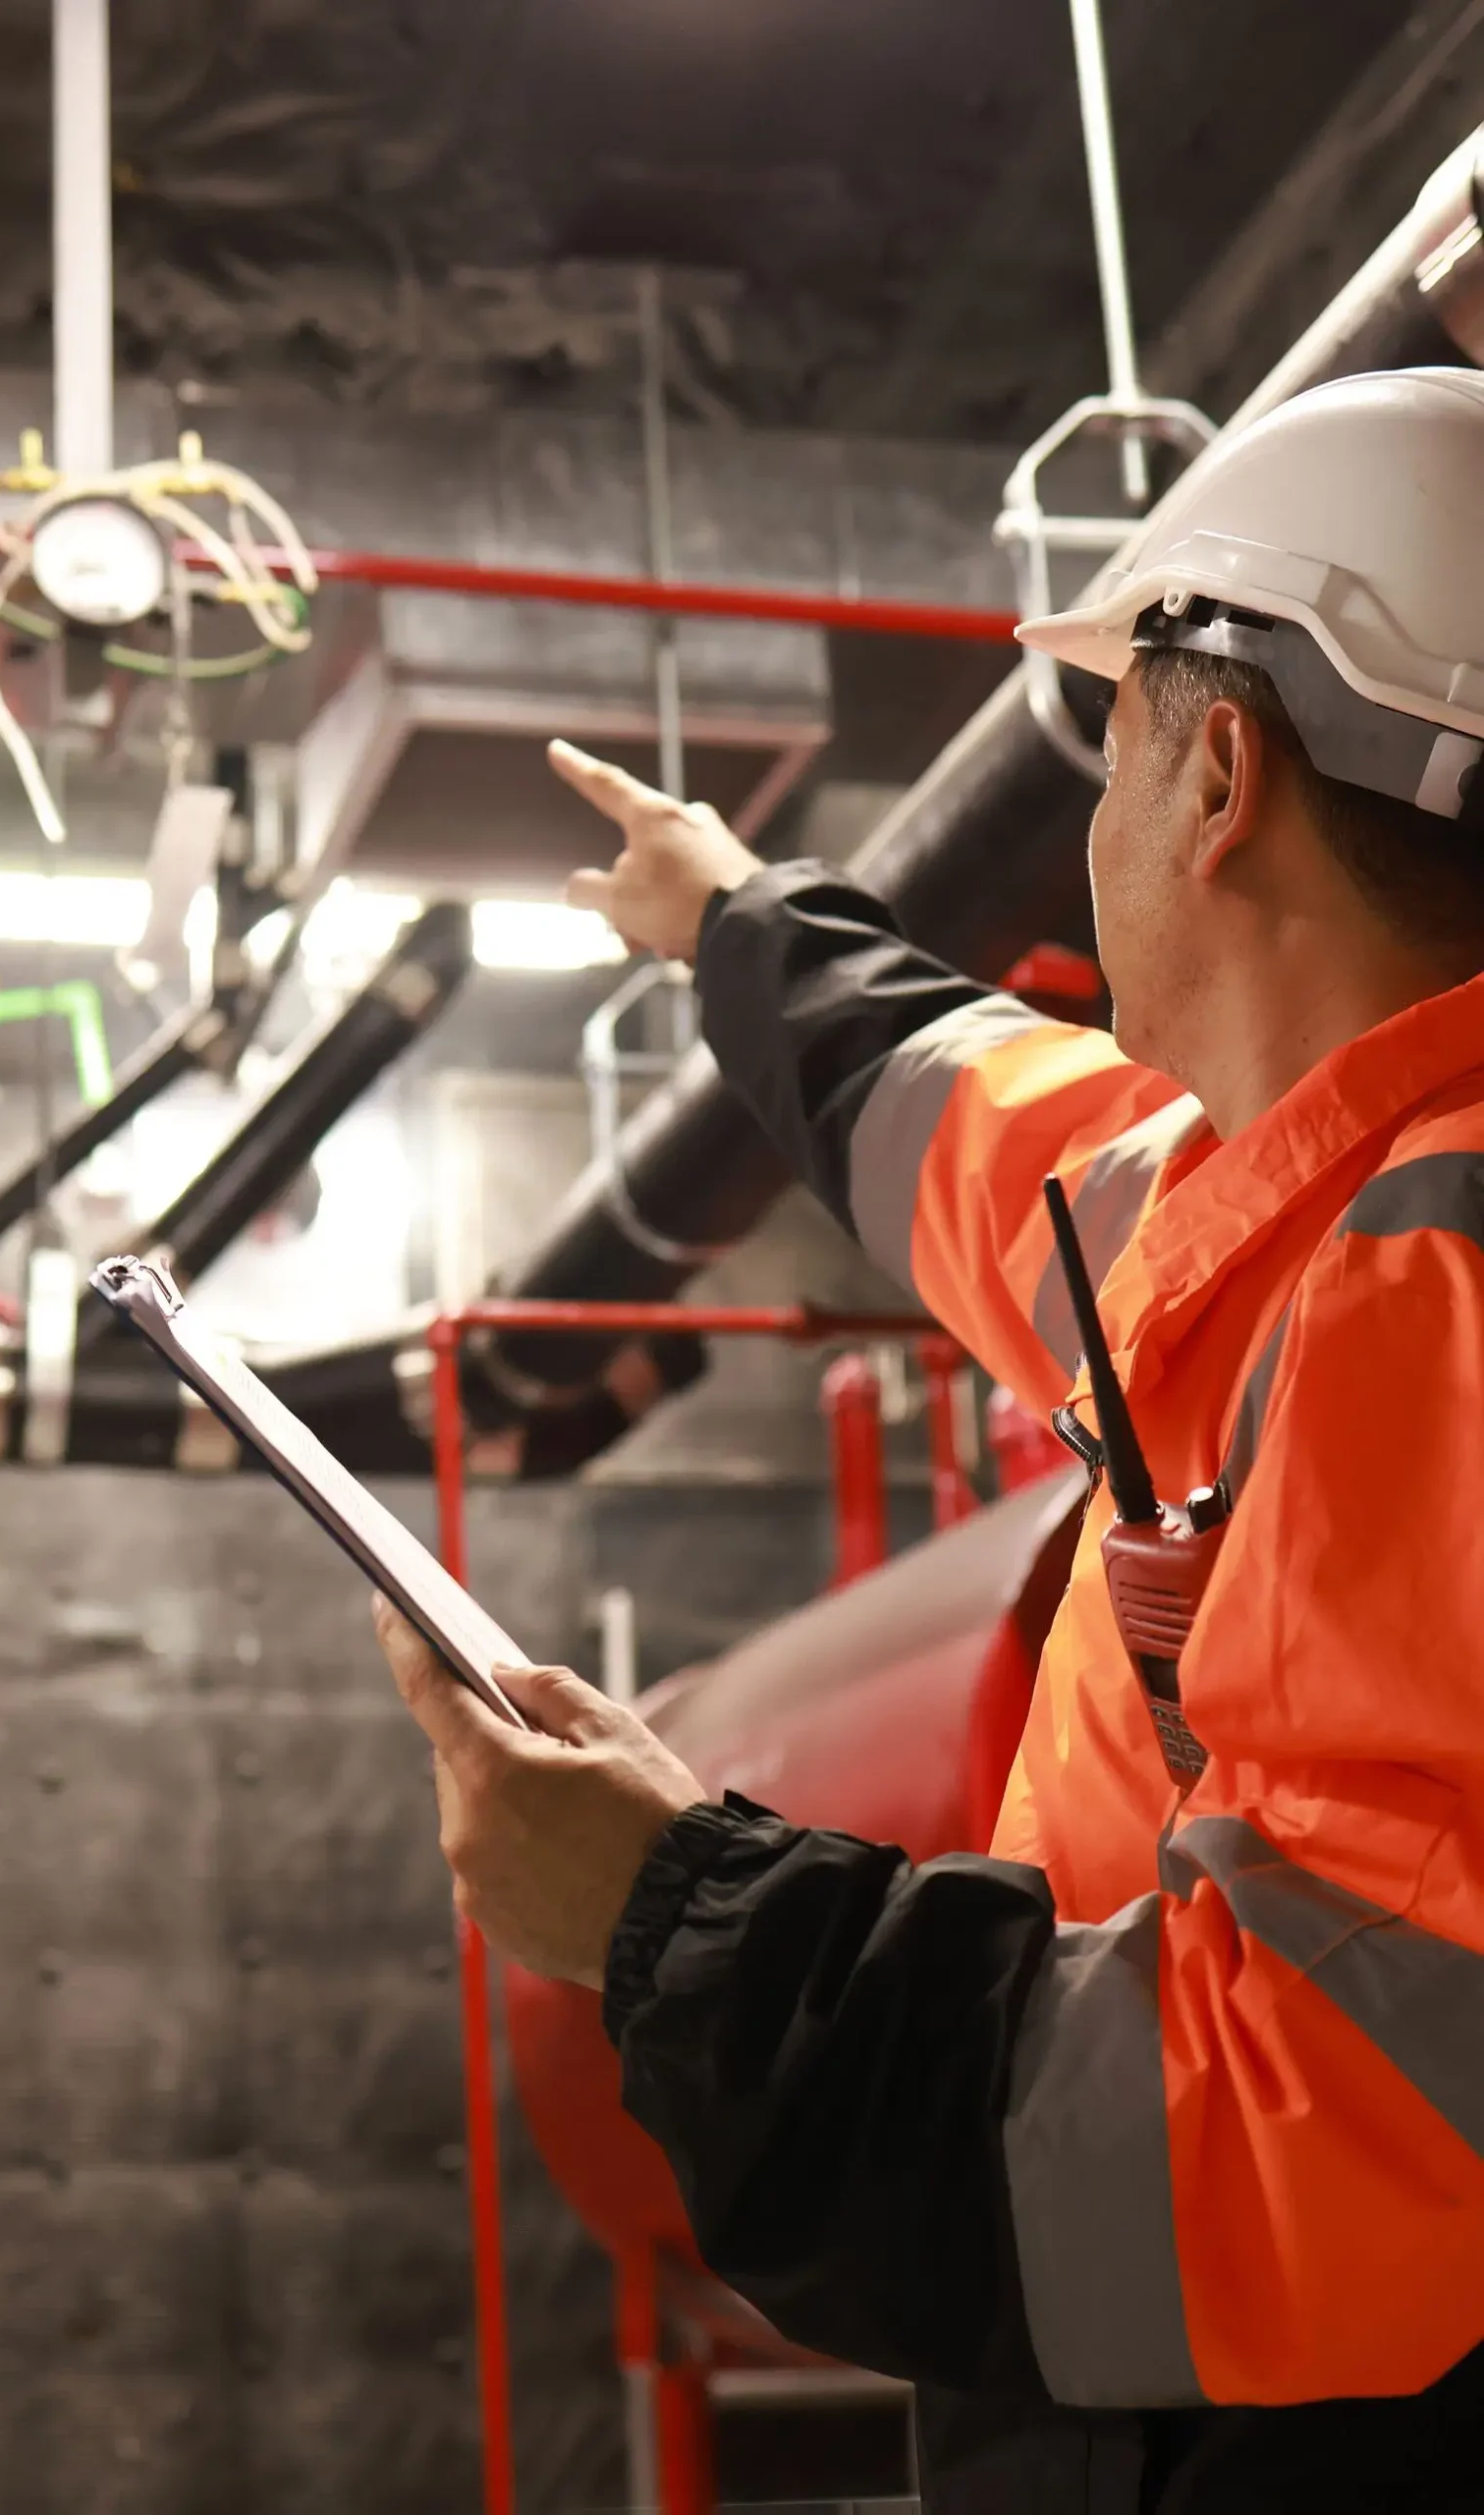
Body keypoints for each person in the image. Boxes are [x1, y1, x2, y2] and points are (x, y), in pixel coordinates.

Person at [372, 366, 1484, 2512]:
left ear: (1218, 767)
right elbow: (966, 1125)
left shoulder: (1433, 1280)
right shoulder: (1274, 1180)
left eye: (1114, 736)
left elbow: (1318, 2137)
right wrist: (728, 921)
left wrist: (682, 1909)